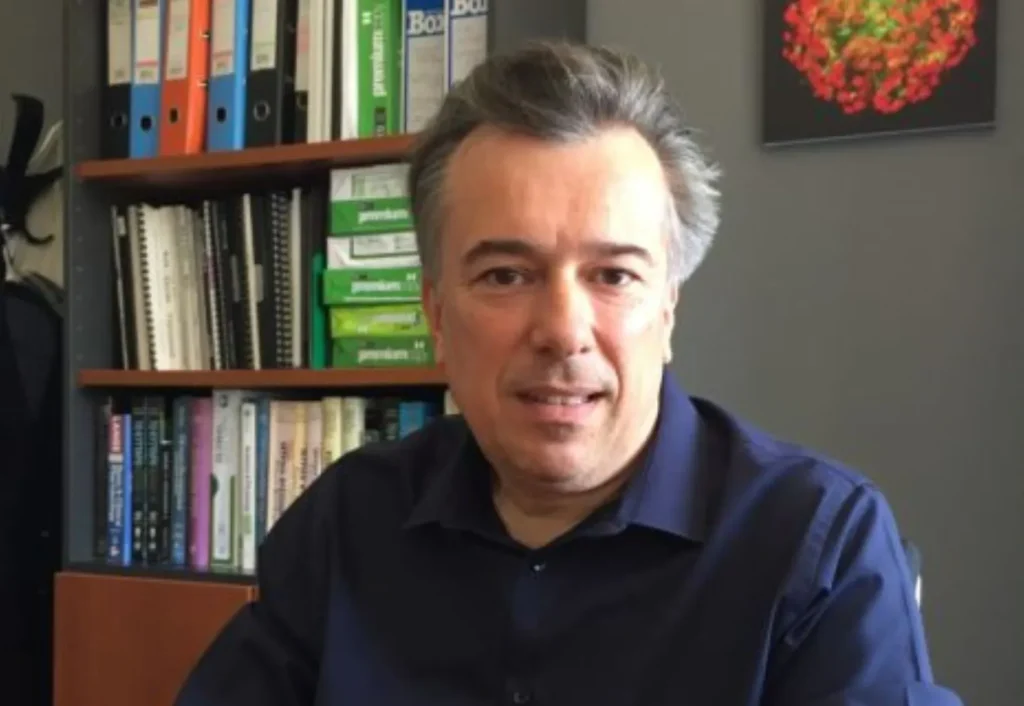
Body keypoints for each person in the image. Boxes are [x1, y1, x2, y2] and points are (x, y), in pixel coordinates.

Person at [174, 40, 962, 706]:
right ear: (436, 313)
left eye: (613, 275)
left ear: (668, 310)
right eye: (505, 275)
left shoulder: (815, 544)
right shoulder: (347, 522)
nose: (561, 330)